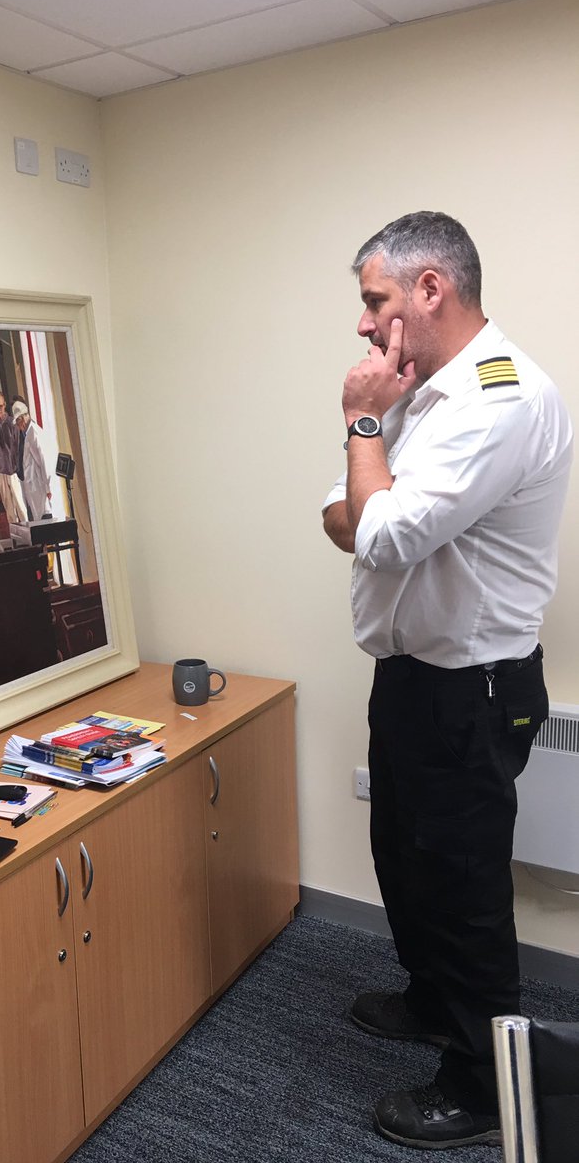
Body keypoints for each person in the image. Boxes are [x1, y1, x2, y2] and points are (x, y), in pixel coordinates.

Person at [322, 211, 572, 1150]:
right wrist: (370, 477)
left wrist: (359, 423)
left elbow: (376, 527)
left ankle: (482, 1084)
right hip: (413, 678)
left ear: (431, 290)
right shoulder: (428, 389)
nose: (362, 324)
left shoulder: (499, 397)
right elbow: (343, 510)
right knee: (406, 858)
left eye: (373, 299)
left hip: (473, 688)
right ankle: (433, 1004)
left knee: (465, 891)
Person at [0, 390, 28, 527]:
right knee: (9, 508)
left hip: (12, 470)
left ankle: (28, 534)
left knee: (19, 505)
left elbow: (17, 447)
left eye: (1, 406)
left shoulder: (12, 423)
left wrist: (16, 467)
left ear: (4, 405)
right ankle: (17, 538)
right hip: (0, 470)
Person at [11, 399, 52, 522]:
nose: (18, 427)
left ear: (22, 419)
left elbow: (44, 461)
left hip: (39, 488)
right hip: (34, 489)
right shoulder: (28, 434)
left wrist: (48, 487)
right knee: (39, 520)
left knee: (45, 520)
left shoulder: (33, 434)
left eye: (18, 423)